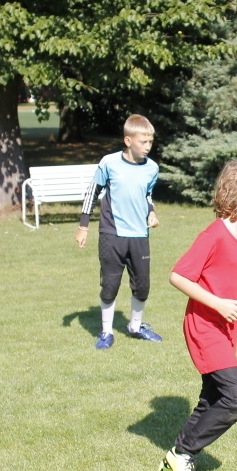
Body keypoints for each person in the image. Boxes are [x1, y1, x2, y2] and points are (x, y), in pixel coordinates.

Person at [160, 160, 237, 471]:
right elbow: (178, 275)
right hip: (204, 325)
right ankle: (183, 452)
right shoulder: (213, 234)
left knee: (213, 399)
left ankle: (173, 462)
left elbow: (225, 274)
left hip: (226, 328)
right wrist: (218, 304)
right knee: (236, 397)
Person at [75, 114, 163, 349]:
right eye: (143, 142)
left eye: (150, 142)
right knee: (110, 285)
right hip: (111, 234)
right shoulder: (109, 163)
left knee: (142, 286)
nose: (147, 147)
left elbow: (147, 194)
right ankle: (106, 332)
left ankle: (135, 327)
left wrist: (151, 212)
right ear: (128, 140)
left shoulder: (152, 168)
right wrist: (83, 226)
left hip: (139, 236)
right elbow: (92, 193)